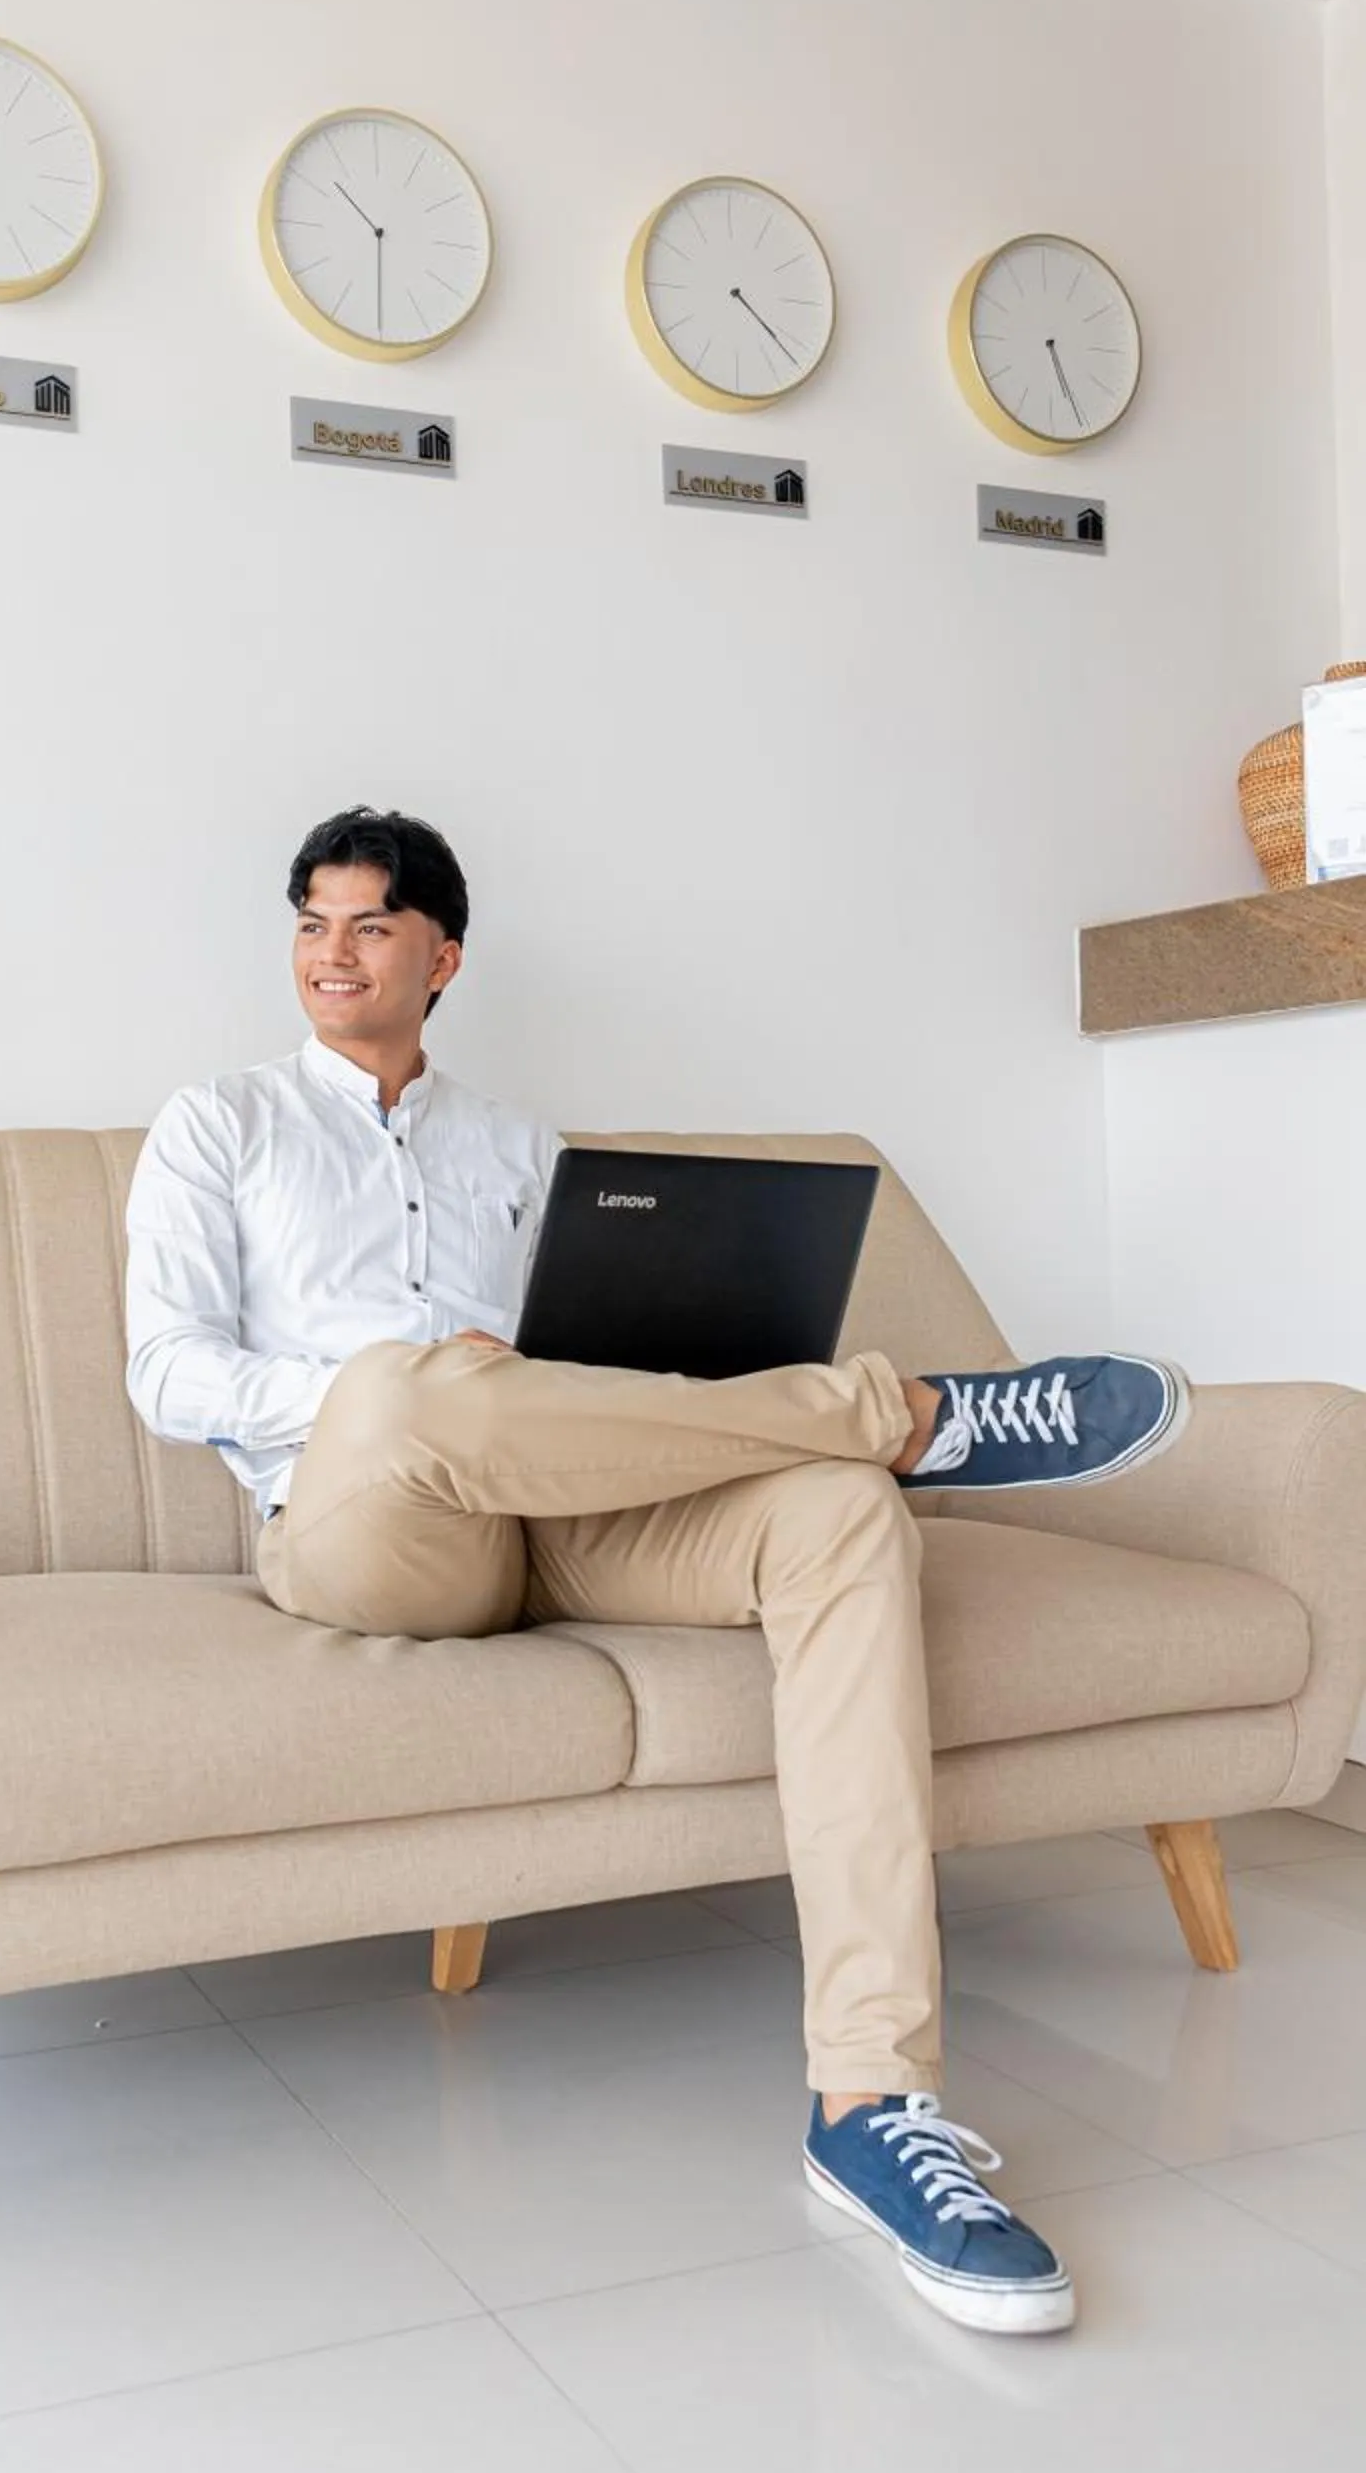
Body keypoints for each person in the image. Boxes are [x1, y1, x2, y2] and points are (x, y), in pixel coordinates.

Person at [124, 804, 1189, 2337]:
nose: (330, 953)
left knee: (836, 1520)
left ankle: (870, 2100)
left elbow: (596, 1383)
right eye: (309, 922)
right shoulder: (217, 1123)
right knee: (413, 1387)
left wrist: (536, 1379)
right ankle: (910, 1417)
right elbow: (169, 1375)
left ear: (445, 956)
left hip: (555, 1522)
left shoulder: (521, 1148)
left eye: (367, 924)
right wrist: (399, 1380)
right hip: (362, 1522)